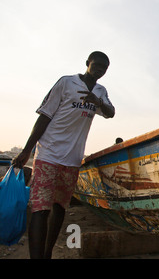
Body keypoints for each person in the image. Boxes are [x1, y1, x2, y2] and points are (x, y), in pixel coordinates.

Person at [12, 51, 115, 259]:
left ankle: (47, 253)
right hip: (48, 153)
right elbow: (44, 116)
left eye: (104, 68)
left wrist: (98, 102)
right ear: (87, 63)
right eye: (97, 65)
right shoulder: (66, 83)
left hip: (73, 159)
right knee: (41, 209)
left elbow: (110, 112)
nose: (100, 70)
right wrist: (26, 151)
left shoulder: (101, 91)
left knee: (60, 207)